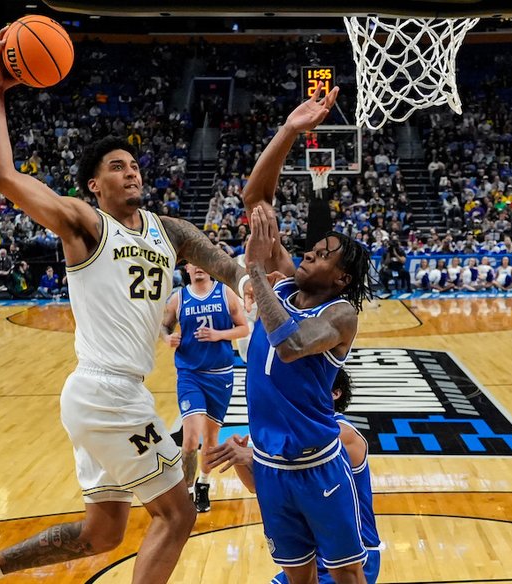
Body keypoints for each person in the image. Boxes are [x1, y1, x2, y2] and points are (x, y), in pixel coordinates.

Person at [0, 29, 254, 584]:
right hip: (107, 392)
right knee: (177, 516)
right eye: (116, 166)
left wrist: (257, 281)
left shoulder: (167, 230)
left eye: (133, 164)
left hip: (107, 394)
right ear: (94, 184)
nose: (130, 171)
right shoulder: (86, 224)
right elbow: (2, 176)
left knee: (102, 532)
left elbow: (225, 264)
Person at [234, 84, 369, 584]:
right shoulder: (288, 282)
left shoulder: (340, 316)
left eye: (324, 252)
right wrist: (289, 130)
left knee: (348, 575)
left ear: (341, 278)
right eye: (313, 246)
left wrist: (254, 271)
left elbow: (289, 345)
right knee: (296, 577)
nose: (311, 250)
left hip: (318, 466)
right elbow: (256, 200)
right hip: (270, 466)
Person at [206, 370, 381, 584]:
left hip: (356, 553)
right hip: (313, 553)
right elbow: (254, 485)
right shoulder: (283, 436)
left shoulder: (344, 433)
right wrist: (238, 457)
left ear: (335, 394)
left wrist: (252, 454)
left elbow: (303, 450)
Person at [161, 262, 249, 512]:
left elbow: (243, 328)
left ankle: (203, 483)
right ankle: (186, 492)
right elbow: (164, 326)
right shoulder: (178, 298)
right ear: (187, 268)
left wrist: (218, 335)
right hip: (190, 375)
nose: (199, 267)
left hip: (220, 376)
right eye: (194, 263)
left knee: (210, 440)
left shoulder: (225, 293)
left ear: (210, 268)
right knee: (190, 439)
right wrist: (168, 337)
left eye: (203, 263)